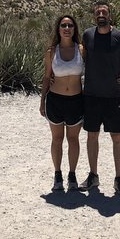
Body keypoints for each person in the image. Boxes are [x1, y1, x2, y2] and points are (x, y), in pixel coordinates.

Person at [81, 1, 120, 197]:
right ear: (95, 15)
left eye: (104, 11)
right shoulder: (88, 35)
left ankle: (119, 178)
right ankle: (93, 175)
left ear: (110, 15)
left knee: (117, 138)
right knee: (91, 136)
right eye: (98, 11)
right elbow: (81, 59)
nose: (101, 14)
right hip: (92, 95)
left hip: (113, 97)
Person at [39, 14, 86, 192]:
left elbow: (93, 70)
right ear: (58, 29)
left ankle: (72, 175)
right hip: (55, 101)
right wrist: (42, 100)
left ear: (75, 29)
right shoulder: (51, 52)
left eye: (70, 26)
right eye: (63, 25)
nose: (67, 29)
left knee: (73, 139)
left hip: (76, 101)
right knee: (57, 139)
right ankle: (57, 174)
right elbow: (46, 77)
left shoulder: (81, 49)